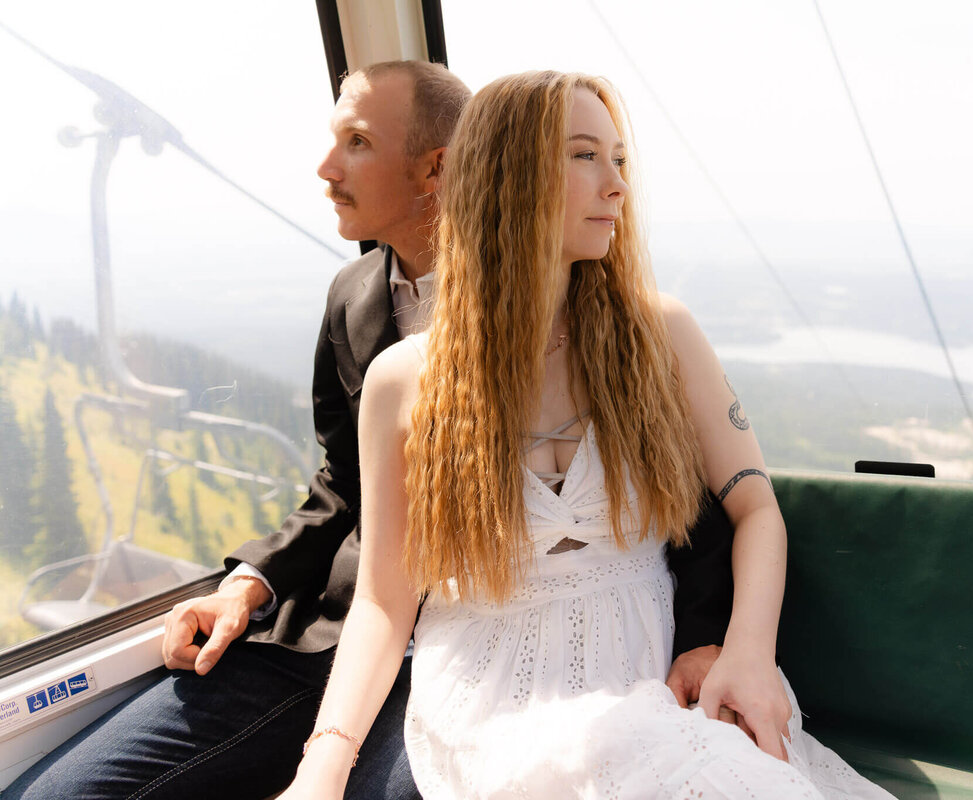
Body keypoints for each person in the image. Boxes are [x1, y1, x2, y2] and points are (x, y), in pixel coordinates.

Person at [4, 60, 736, 800]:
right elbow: (342, 481)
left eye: (356, 142)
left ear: (439, 168)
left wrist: (707, 636)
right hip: (335, 629)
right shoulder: (354, 298)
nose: (327, 168)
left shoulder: (600, 310)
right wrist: (250, 584)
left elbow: (677, 490)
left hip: (480, 644)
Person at [277, 70, 894, 799]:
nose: (617, 185)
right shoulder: (403, 379)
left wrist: (747, 654)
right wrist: (323, 765)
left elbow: (756, 508)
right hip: (487, 693)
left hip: (646, 671)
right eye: (584, 155)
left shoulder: (661, 334)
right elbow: (384, 603)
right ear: (508, 177)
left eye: (619, 159)